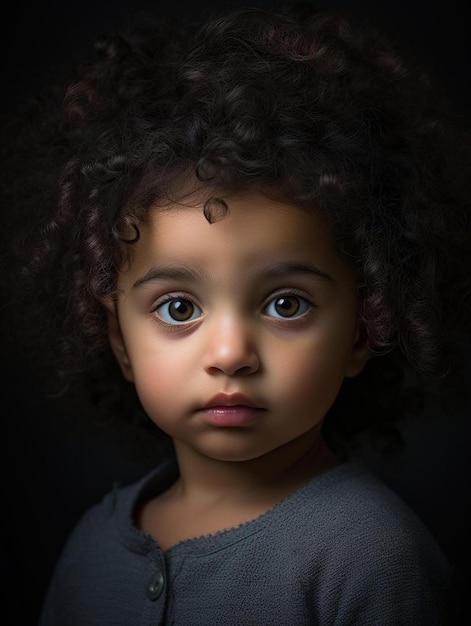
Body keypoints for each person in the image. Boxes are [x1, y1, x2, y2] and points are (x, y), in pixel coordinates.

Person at [1, 1, 469, 624]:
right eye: (177, 307)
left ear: (363, 329)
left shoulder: (369, 559)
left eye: (285, 303)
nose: (230, 354)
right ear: (118, 338)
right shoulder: (93, 544)